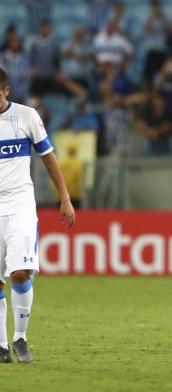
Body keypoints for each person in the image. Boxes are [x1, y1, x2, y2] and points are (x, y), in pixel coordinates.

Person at [0, 68, 75, 363]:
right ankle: (2, 345)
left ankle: (20, 337)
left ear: (5, 89)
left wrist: (65, 198)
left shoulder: (26, 116)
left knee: (20, 272)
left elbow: (48, 157)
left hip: (19, 204)